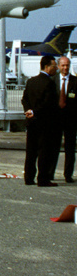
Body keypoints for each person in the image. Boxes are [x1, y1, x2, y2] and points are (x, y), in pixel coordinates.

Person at [21, 55, 63, 186]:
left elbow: (25, 99)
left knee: (31, 151)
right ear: (47, 67)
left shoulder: (31, 81)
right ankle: (43, 178)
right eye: (54, 66)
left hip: (31, 122)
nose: (56, 68)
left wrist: (29, 110)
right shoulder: (49, 83)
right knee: (44, 151)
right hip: (44, 123)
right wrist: (35, 112)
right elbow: (47, 104)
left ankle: (28, 177)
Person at [59, 56, 77, 184]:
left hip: (71, 120)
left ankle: (68, 174)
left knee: (70, 149)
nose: (65, 68)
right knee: (52, 147)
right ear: (59, 66)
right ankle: (49, 172)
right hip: (56, 120)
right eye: (63, 65)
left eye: (67, 66)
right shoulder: (53, 80)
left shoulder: (75, 81)